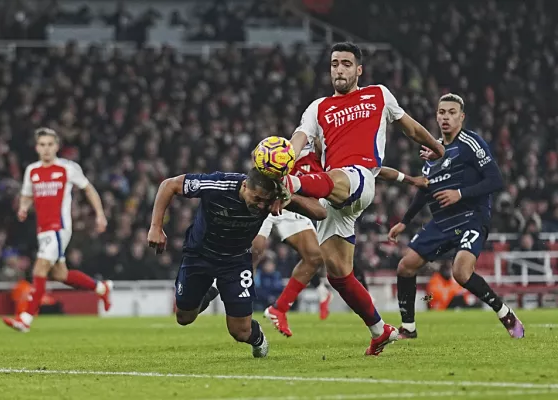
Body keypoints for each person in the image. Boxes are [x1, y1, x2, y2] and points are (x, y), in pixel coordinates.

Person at [275, 41, 443, 355]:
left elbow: (410, 127)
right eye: (335, 63)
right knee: (338, 274)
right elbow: (300, 138)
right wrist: (286, 154)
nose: (339, 69)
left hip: (359, 177)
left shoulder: (378, 94)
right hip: (333, 191)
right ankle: (379, 331)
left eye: (346, 64)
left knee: (332, 178)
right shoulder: (318, 107)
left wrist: (437, 146)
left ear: (359, 69)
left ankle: (290, 185)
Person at [146, 168, 327, 358]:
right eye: (256, 199)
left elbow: (321, 213)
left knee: (240, 332)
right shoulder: (218, 184)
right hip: (198, 256)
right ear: (244, 186)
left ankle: (258, 338)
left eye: (265, 201)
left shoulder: (271, 200)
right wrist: (156, 227)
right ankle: (208, 293)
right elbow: (169, 184)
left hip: (236, 261)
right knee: (184, 317)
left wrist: (290, 199)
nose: (260, 206)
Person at [389, 93, 525, 339]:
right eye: (442, 112)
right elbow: (425, 188)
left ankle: (504, 312)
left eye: (452, 112)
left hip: (471, 217)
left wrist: (460, 193)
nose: (446, 117)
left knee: (461, 273)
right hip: (442, 222)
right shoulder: (433, 150)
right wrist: (403, 222)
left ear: (461, 117)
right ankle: (408, 328)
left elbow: (495, 180)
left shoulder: (471, 142)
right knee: (405, 267)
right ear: (436, 116)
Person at [256, 144, 429, 337]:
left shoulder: (338, 158)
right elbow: (269, 164)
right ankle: (239, 308)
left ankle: (277, 309)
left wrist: (411, 180)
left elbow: (377, 171)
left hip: (297, 204)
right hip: (272, 197)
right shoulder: (298, 149)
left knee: (315, 258)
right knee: (255, 250)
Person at [3, 128, 112, 333]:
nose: (46, 149)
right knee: (60, 274)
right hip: (43, 230)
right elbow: (26, 195)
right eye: (42, 145)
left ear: (57, 146)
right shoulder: (32, 171)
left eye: (50, 144)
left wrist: (99, 214)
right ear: (37, 147)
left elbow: (88, 188)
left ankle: (25, 319)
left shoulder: (67, 168)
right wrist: (24, 207)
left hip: (59, 228)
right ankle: (101, 288)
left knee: (40, 267)